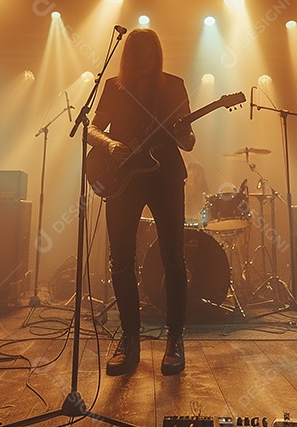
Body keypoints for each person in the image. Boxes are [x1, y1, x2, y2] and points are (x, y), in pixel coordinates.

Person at [88, 28, 194, 376]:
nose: (148, 60)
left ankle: (174, 341)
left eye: (153, 53)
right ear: (130, 55)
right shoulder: (114, 87)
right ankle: (130, 340)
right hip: (123, 181)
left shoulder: (173, 85)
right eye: (141, 54)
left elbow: (189, 141)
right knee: (121, 259)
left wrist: (183, 134)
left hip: (165, 179)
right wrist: (110, 146)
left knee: (173, 259)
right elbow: (92, 129)